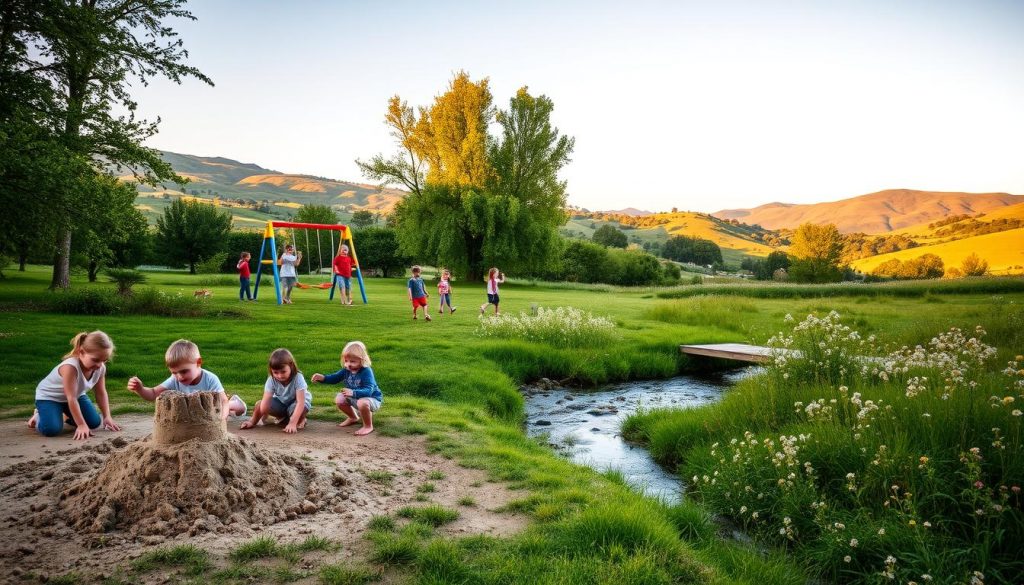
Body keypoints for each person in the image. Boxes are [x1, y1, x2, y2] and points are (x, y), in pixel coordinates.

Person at [28, 331, 121, 439]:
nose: (99, 365)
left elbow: (101, 392)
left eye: (104, 361)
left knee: (94, 423)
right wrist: (81, 425)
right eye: (95, 360)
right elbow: (70, 397)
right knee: (51, 430)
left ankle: (65, 415)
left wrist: (107, 416)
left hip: (76, 396)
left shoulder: (100, 368)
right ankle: (38, 416)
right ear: (81, 352)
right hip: (50, 397)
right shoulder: (70, 367)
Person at [127, 339, 246, 420]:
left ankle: (236, 403)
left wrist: (222, 419)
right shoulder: (174, 379)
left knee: (223, 409)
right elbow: (153, 394)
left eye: (184, 371)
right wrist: (140, 389)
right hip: (197, 407)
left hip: (214, 404)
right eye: (174, 372)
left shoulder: (210, 378)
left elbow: (223, 401)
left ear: (198, 363)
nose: (179, 377)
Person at [311, 341, 381, 436]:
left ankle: (368, 426)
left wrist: (353, 393)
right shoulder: (346, 370)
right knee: (339, 399)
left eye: (352, 361)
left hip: (372, 399)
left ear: (362, 360)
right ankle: (353, 417)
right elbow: (334, 378)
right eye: (346, 361)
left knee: (362, 402)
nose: (348, 364)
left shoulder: (366, 371)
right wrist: (322, 378)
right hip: (356, 397)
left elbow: (369, 391)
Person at [240, 348, 311, 434]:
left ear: (291, 366)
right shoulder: (271, 380)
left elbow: (300, 402)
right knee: (260, 404)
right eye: (276, 372)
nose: (280, 376)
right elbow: (266, 400)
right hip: (281, 403)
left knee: (298, 413)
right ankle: (252, 421)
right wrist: (263, 412)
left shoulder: (298, 377)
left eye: (283, 372)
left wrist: (292, 423)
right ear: (271, 370)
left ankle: (299, 420)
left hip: (296, 404)